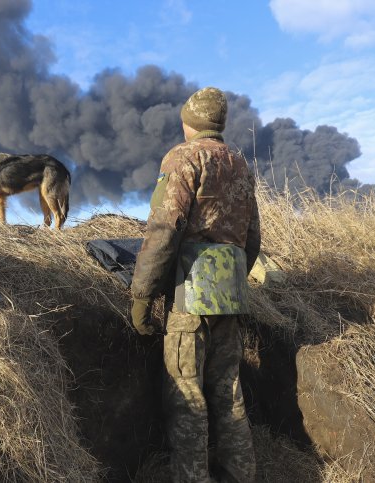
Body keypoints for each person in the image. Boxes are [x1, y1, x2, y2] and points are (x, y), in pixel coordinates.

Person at [130, 87, 261, 482]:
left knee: (187, 396)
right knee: (228, 392)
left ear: (189, 122)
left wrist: (141, 295)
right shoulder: (239, 162)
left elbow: (164, 230)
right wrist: (233, 275)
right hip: (232, 293)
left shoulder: (183, 157)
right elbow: (252, 237)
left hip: (191, 296)